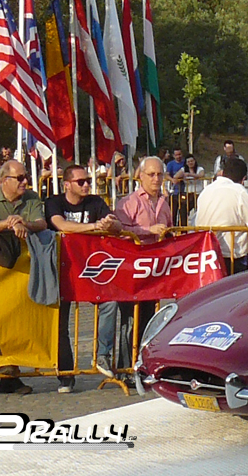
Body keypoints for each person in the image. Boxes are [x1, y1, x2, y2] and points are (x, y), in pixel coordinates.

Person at [46, 164, 122, 392]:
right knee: (61, 323)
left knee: (110, 303)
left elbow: (116, 225)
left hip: (91, 269)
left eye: (88, 180)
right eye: (81, 181)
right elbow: (61, 225)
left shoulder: (96, 202)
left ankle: (103, 355)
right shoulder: (54, 202)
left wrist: (110, 225)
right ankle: (65, 374)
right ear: (67, 185)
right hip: (62, 269)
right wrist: (94, 226)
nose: (87, 185)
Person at [0, 159, 46, 395]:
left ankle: (11, 374)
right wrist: (8, 223)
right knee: (0, 320)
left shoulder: (32, 198)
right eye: (20, 178)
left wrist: (23, 222)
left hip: (24, 271)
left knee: (19, 320)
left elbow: (41, 223)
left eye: (26, 177)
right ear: (3, 180)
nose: (25, 182)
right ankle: (7, 372)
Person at [109, 156, 173, 375]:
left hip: (154, 271)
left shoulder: (164, 203)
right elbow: (119, 232)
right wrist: (146, 231)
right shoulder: (128, 203)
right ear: (141, 176)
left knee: (149, 318)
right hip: (131, 271)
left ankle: (144, 365)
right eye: (151, 174)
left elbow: (170, 232)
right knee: (130, 320)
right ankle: (126, 367)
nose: (156, 179)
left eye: (159, 174)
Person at [191, 156, 248, 274]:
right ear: (243, 179)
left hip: (207, 252)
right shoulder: (239, 191)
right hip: (232, 255)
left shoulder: (206, 190)